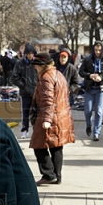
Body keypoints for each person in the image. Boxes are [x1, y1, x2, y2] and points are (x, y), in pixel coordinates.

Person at [29, 53, 75, 185]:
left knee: (38, 145)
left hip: (50, 117)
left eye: (36, 66)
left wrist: (47, 119)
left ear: (42, 66)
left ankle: (48, 174)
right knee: (56, 146)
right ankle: (57, 176)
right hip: (61, 116)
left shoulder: (46, 78)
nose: (35, 68)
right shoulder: (58, 74)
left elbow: (48, 100)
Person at [79, 41, 103, 141]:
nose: (97, 52)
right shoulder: (87, 59)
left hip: (101, 89)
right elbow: (81, 72)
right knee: (88, 110)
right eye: (96, 50)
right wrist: (90, 75)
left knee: (99, 111)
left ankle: (96, 132)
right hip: (89, 88)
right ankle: (89, 125)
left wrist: (101, 77)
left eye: (99, 50)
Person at [11, 44, 38, 138]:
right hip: (25, 92)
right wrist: (23, 85)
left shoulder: (37, 63)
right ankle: (25, 130)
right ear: (25, 54)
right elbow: (14, 77)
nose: (30, 56)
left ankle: (36, 130)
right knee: (25, 112)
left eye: (32, 54)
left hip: (36, 92)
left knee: (36, 112)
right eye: (28, 54)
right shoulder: (20, 64)